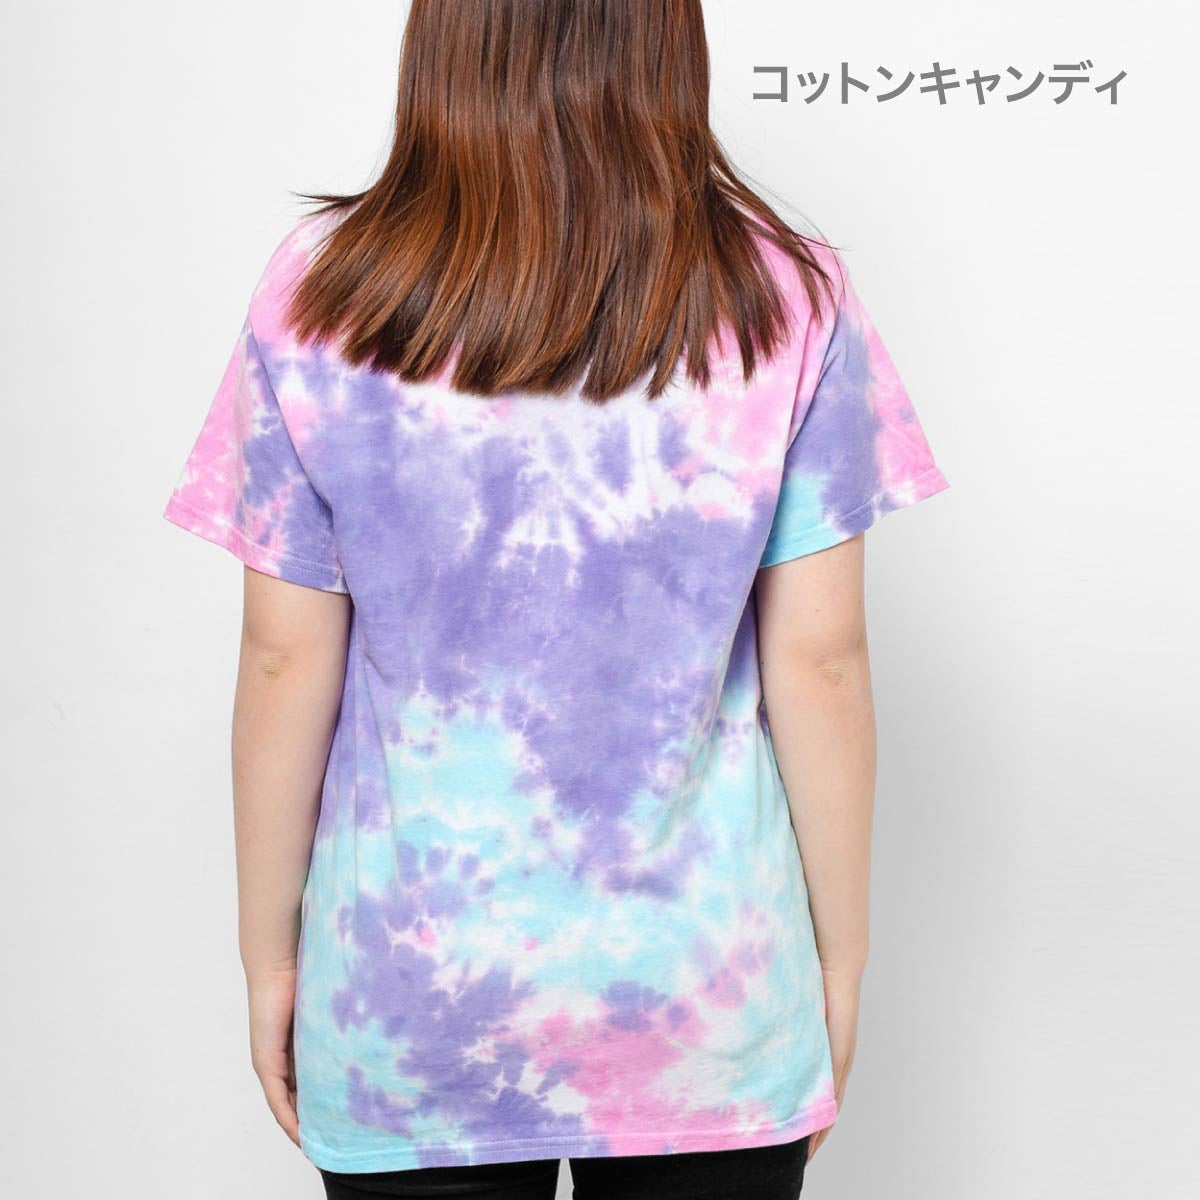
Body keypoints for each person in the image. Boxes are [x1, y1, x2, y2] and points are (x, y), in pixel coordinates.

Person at [163, 2, 950, 1197]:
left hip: (411, 1003)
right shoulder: (787, 293)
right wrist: (841, 960)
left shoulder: (324, 290)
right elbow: (821, 662)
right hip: (708, 1001)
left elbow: (284, 661)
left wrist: (269, 960)